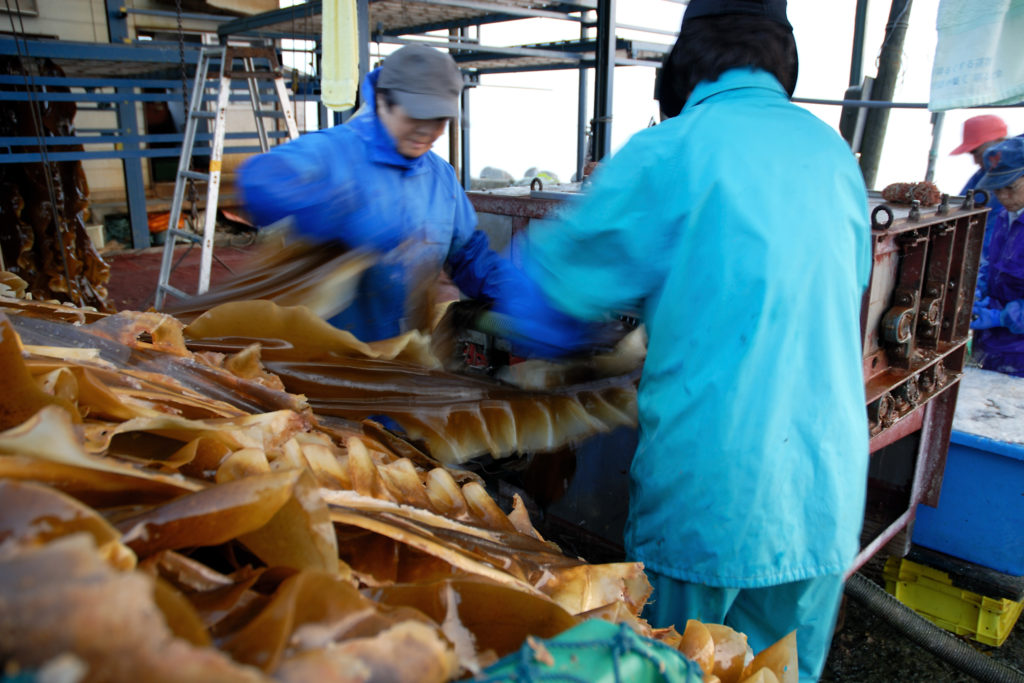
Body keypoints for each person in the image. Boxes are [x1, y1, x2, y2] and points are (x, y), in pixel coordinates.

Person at [497, 1, 871, 679]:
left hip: (713, 502)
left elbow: (547, 299)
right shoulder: (833, 156)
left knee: (681, 663)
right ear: (783, 62)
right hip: (825, 496)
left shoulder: (674, 149)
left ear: (682, 70)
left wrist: (475, 307)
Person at [237, 44, 523, 343]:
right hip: (320, 355)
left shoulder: (442, 179)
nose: (425, 130)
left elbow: (468, 256)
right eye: (416, 115)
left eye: (438, 119)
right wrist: (343, 214)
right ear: (384, 101)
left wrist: (521, 297)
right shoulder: (331, 152)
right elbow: (258, 181)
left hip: (399, 355)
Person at [969, 136, 1024, 376]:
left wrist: (1003, 316)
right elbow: (992, 265)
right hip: (990, 348)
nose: (1002, 196)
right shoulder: (1005, 216)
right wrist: (978, 288)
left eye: (1010, 187)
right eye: (997, 188)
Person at [951, 114, 1008, 219]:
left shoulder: (1018, 177)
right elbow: (957, 207)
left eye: (976, 152)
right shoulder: (980, 175)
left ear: (1000, 142)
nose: (975, 161)